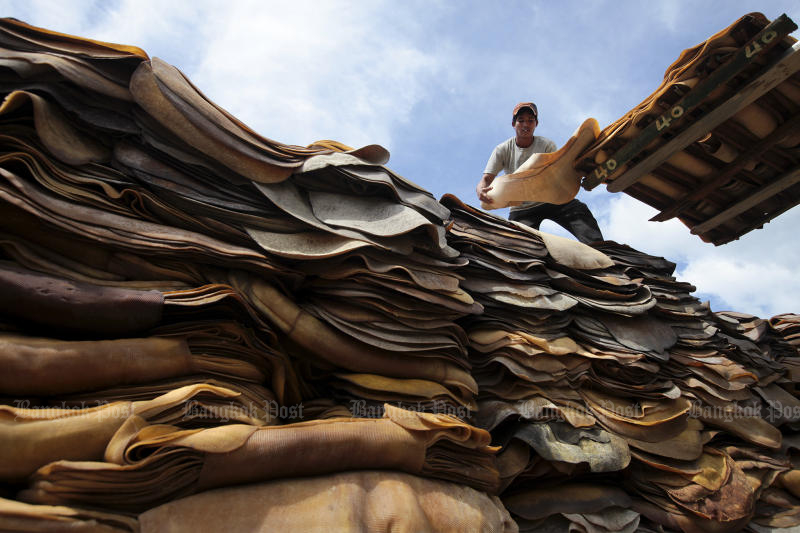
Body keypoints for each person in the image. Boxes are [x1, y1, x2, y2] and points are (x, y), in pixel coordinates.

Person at [477, 102, 604, 244]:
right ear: (514, 124)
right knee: (517, 244)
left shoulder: (546, 145)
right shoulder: (502, 150)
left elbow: (556, 173)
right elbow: (486, 179)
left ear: (536, 124)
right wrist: (480, 191)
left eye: (530, 120)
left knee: (579, 211)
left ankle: (603, 252)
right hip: (522, 208)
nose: (526, 124)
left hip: (551, 198)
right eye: (521, 121)